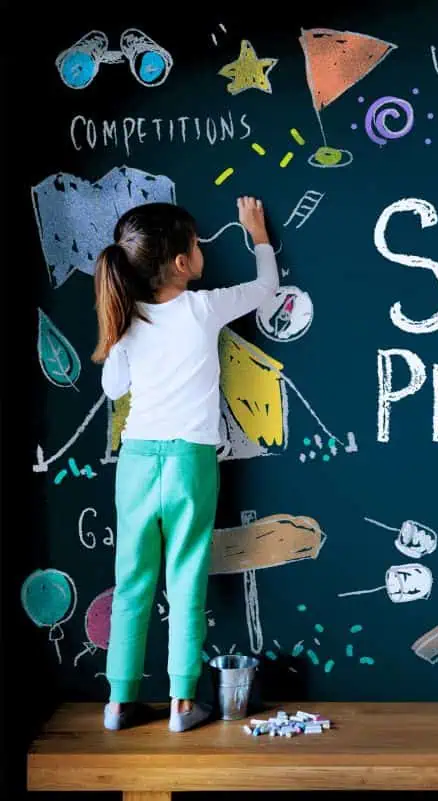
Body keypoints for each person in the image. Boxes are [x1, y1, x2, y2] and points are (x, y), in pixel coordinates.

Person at [93, 197, 279, 732]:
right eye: (196, 245)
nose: (202, 252)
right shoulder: (202, 308)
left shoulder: (127, 320)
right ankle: (181, 704)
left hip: (136, 461)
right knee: (186, 576)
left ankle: (119, 703)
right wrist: (257, 235)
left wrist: (120, 340)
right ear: (181, 264)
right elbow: (265, 288)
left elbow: (114, 387)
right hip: (189, 462)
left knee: (132, 581)